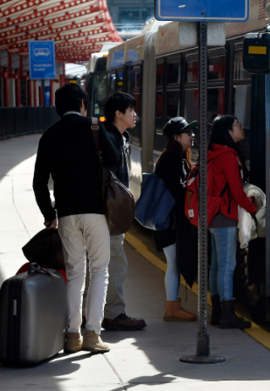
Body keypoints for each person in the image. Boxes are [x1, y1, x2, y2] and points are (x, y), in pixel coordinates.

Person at [33, 83, 117, 354]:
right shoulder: (93, 126)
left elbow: (38, 183)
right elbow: (114, 159)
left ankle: (72, 335)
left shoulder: (49, 135)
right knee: (99, 271)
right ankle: (92, 333)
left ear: (58, 108)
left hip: (67, 214)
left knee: (75, 273)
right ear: (82, 104)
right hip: (95, 211)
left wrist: (49, 215)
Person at [100, 92, 146, 332]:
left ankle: (103, 312)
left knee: (109, 263)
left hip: (112, 212)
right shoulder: (109, 138)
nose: (135, 114)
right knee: (115, 263)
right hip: (110, 213)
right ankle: (114, 314)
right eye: (131, 110)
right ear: (119, 114)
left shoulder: (122, 136)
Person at [206, 115, 257, 329]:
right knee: (227, 266)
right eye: (237, 125)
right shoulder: (228, 156)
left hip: (213, 215)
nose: (241, 128)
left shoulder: (213, 152)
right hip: (225, 215)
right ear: (228, 131)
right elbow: (236, 191)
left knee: (217, 265)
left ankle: (217, 312)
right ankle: (227, 315)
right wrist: (254, 209)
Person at [152, 116, 198, 322]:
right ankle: (172, 308)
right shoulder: (171, 158)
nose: (193, 135)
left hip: (170, 221)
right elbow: (176, 189)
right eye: (188, 132)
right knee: (173, 263)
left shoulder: (176, 156)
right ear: (177, 137)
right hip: (168, 222)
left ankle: (173, 306)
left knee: (174, 263)